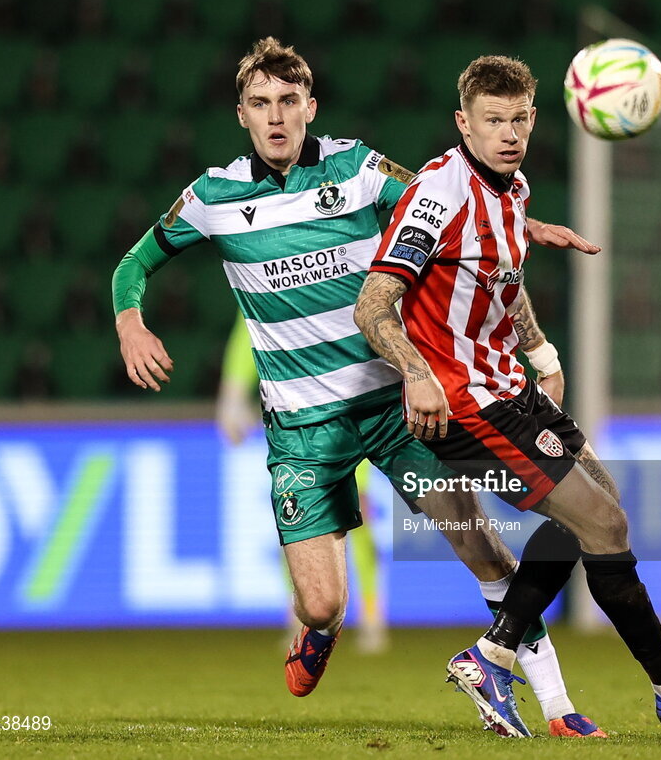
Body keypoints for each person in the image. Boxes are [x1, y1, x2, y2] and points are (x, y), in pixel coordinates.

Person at [111, 37, 606, 738]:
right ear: (242, 115)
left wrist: (516, 229)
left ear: (310, 108)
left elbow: (457, 211)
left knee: (483, 549)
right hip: (302, 430)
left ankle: (555, 706)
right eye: (261, 104)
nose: (276, 117)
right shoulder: (212, 197)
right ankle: (321, 629)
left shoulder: (360, 168)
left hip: (397, 408)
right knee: (319, 604)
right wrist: (130, 321)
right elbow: (131, 265)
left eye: (288, 102)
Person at [355, 55, 661, 738]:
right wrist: (416, 372)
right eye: (492, 120)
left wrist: (540, 351)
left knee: (601, 506)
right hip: (467, 402)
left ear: (535, 118)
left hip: (510, 385)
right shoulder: (437, 194)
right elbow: (373, 305)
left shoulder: (512, 188)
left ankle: (492, 652)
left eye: (518, 118)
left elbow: (503, 280)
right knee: (600, 525)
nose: (508, 132)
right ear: (464, 123)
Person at [217, 311, 387, 653]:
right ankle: (298, 615)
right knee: (296, 511)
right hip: (295, 410)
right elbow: (248, 327)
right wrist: (232, 394)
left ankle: (371, 612)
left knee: (359, 510)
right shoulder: (265, 270)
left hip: (351, 402)